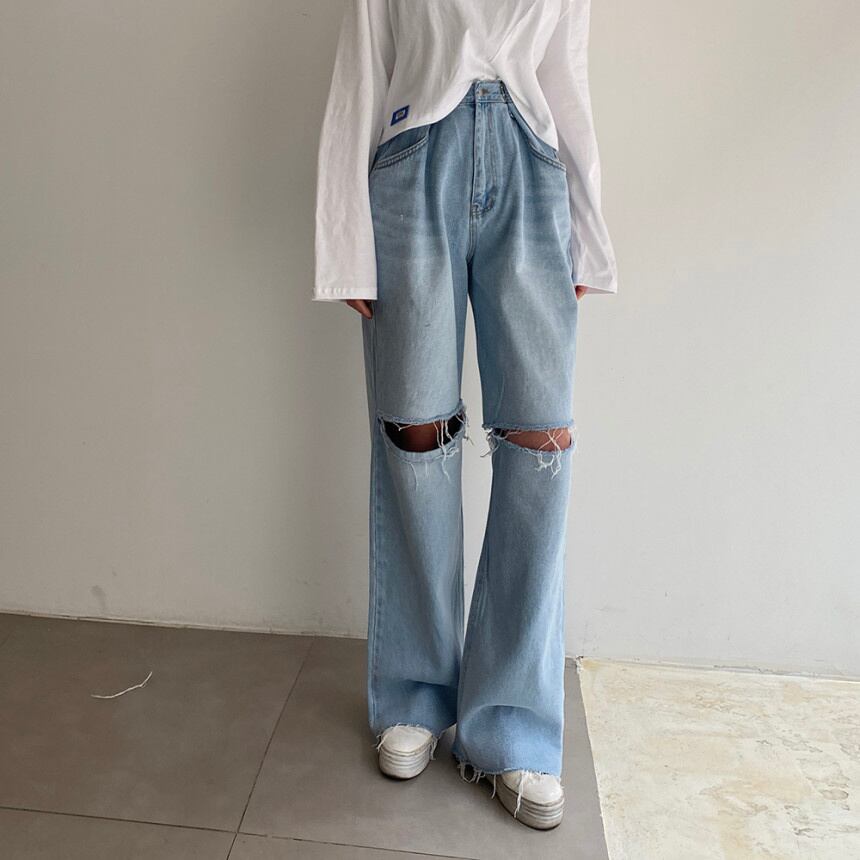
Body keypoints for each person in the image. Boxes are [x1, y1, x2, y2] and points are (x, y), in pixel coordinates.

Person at [313, 0, 617, 830]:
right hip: (413, 168)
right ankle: (415, 690)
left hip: (532, 175)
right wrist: (344, 241)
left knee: (541, 441)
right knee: (414, 433)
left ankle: (513, 724)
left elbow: (566, 72)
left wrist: (589, 229)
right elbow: (363, 67)